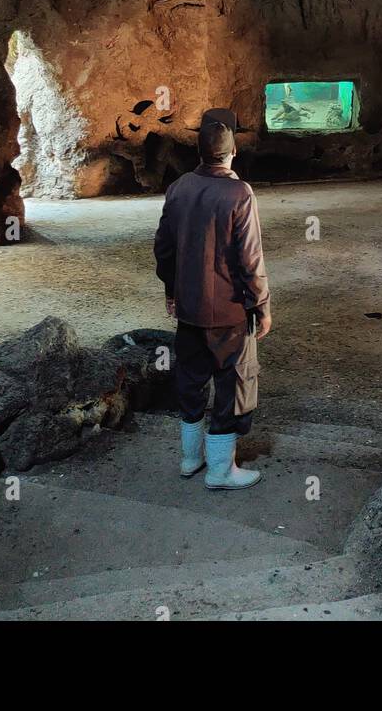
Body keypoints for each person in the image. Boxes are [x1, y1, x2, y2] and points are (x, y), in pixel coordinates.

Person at [153, 112, 272, 490]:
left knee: (190, 380)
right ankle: (221, 470)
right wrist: (262, 305)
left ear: (199, 153)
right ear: (233, 151)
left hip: (188, 309)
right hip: (229, 312)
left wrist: (171, 291)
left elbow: (164, 248)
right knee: (231, 384)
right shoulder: (240, 194)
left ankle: (190, 459)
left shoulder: (179, 188)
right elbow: (250, 259)